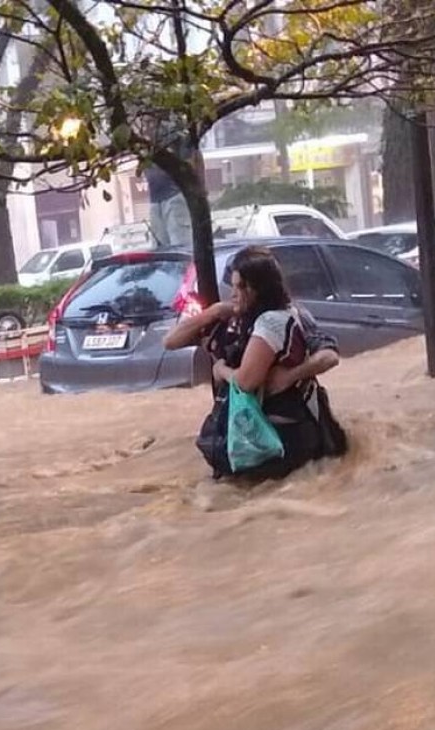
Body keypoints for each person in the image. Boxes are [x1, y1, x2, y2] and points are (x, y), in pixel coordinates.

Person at [164, 247, 346, 479]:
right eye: (233, 286)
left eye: (241, 287)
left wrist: (223, 370)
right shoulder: (228, 320)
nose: (234, 294)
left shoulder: (279, 320)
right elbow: (170, 341)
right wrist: (213, 312)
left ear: (259, 289)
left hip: (277, 437)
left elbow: (246, 382)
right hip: (242, 437)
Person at [144, 119, 197, 249]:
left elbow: (190, 162)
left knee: (180, 246)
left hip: (174, 196)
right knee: (160, 249)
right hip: (155, 199)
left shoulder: (175, 131)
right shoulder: (144, 136)